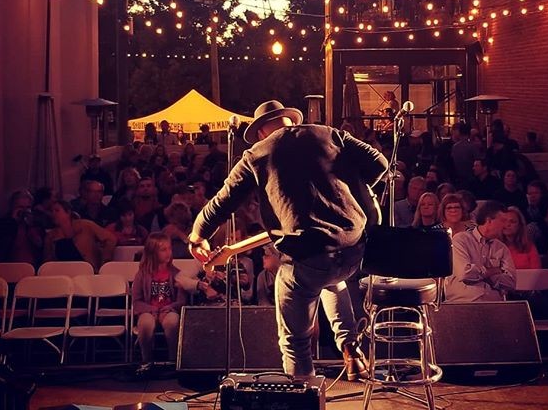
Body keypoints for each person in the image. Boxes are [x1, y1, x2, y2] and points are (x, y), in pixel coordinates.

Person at [188, 99, 388, 380]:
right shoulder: (328, 133)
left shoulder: (257, 154)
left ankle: (302, 392)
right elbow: (380, 164)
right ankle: (351, 349)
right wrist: (351, 188)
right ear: (290, 121)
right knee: (332, 280)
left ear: (260, 132)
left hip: (309, 257)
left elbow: (224, 200)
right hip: (354, 249)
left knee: (294, 340)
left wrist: (198, 234)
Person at [132, 232, 187, 374]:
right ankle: (146, 360)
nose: (168, 253)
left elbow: (181, 301)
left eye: (169, 248)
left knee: (172, 322)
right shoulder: (142, 274)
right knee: (145, 324)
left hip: (168, 310)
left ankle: (173, 361)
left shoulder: (176, 273)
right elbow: (136, 301)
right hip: (148, 310)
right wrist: (151, 309)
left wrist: (169, 307)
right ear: (153, 252)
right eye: (163, 250)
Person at [446, 200, 516, 303]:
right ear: (489, 221)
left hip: (494, 306)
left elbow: (511, 283)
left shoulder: (502, 248)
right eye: (503, 221)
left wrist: (479, 273)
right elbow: (464, 274)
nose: (506, 225)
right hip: (464, 304)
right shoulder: (460, 240)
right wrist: (493, 271)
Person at [43, 200, 117, 271]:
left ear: (68, 212)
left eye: (57, 211)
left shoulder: (86, 225)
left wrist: (104, 261)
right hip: (63, 274)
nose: (53, 214)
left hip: (88, 272)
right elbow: (48, 262)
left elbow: (111, 239)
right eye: (51, 211)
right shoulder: (50, 236)